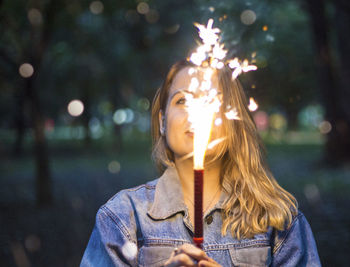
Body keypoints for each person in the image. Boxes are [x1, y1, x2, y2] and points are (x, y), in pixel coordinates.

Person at [81, 60, 321, 266]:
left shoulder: (277, 220)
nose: (196, 112)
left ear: (232, 120)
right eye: (182, 101)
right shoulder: (122, 217)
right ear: (163, 121)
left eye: (211, 101)